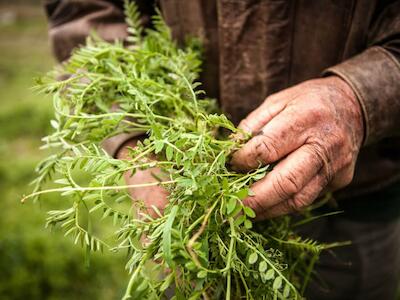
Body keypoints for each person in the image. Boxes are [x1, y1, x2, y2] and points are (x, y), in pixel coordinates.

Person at [44, 1, 400, 299]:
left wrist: (360, 98)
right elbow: (83, 10)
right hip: (186, 210)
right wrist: (134, 146)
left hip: (355, 205)